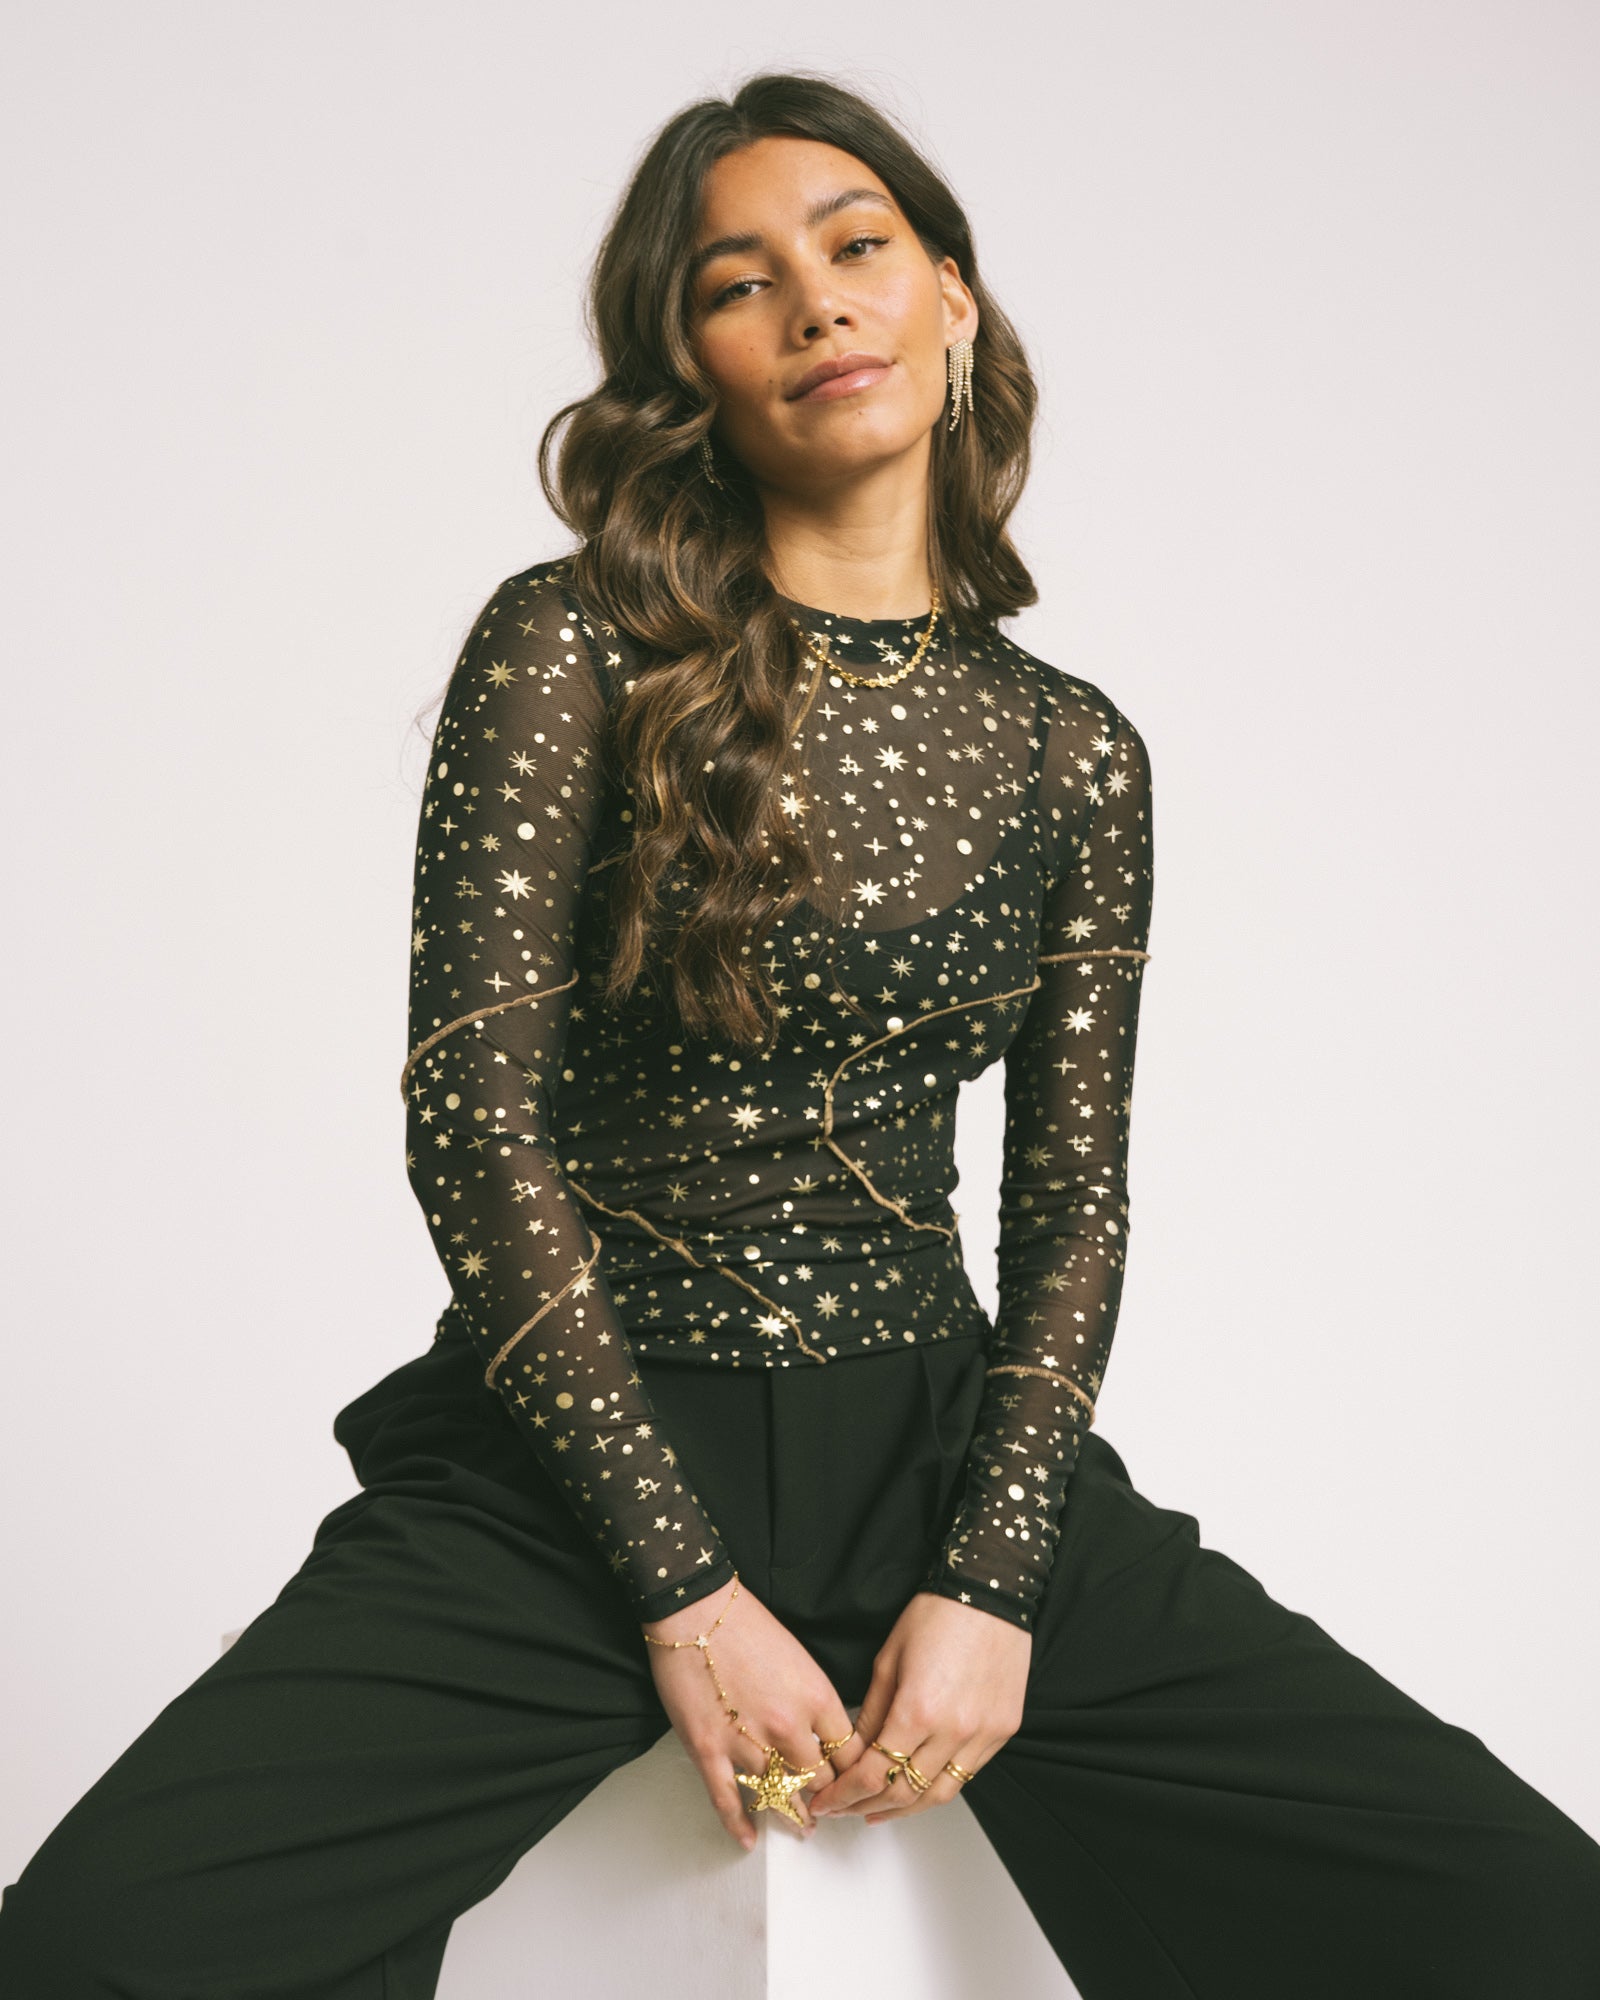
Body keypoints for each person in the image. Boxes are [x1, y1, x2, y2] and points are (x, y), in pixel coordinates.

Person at [2, 68, 1597, 2000]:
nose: (817, 301)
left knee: (1526, 1918)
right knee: (100, 1947)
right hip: (569, 1470)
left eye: (857, 247)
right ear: (691, 369)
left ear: (952, 300)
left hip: (937, 1457)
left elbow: (1072, 1201)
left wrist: (997, 1580)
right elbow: (473, 1125)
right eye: (738, 283)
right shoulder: (572, 645)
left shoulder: (1074, 750)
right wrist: (682, 1586)